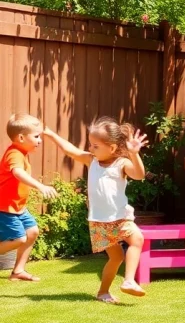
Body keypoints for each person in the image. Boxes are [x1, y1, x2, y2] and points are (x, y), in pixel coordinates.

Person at [43, 118, 149, 303]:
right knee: (123, 251)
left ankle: (117, 286)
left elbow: (139, 175)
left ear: (113, 148)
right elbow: (71, 150)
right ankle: (116, 287)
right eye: (90, 145)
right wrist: (51, 134)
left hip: (119, 217)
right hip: (99, 220)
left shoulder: (121, 164)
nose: (90, 149)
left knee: (128, 247)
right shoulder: (91, 161)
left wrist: (134, 154)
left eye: (95, 146)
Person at [0, 114, 57, 282]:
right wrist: (40, 186)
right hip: (6, 208)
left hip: (18, 208)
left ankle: (18, 271)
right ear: (21, 137)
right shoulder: (15, 154)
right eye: (36, 136)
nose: (40, 140)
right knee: (19, 238)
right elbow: (17, 173)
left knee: (32, 232)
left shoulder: (22, 152)